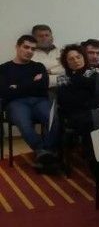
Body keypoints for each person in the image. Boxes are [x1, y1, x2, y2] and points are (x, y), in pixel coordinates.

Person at [0, 35, 60, 169]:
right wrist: (32, 83)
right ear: (17, 47)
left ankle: (46, 153)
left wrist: (17, 86)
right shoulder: (4, 68)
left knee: (53, 119)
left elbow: (42, 86)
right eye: (26, 47)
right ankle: (42, 151)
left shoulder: (38, 66)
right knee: (24, 124)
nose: (29, 51)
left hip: (40, 100)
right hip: (16, 103)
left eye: (33, 49)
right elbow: (4, 92)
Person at [56, 44, 97, 135]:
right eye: (71, 59)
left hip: (93, 111)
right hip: (73, 113)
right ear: (66, 62)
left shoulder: (93, 72)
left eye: (78, 57)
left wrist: (75, 84)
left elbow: (95, 95)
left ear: (84, 57)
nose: (76, 61)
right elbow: (64, 100)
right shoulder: (62, 77)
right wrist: (82, 83)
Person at [30, 24, 63, 89]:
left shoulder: (62, 52)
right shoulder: (30, 54)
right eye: (40, 36)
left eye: (47, 35)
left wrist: (50, 71)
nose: (44, 38)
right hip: (41, 90)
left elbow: (68, 69)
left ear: (52, 37)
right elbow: (33, 76)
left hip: (65, 87)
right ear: (33, 38)